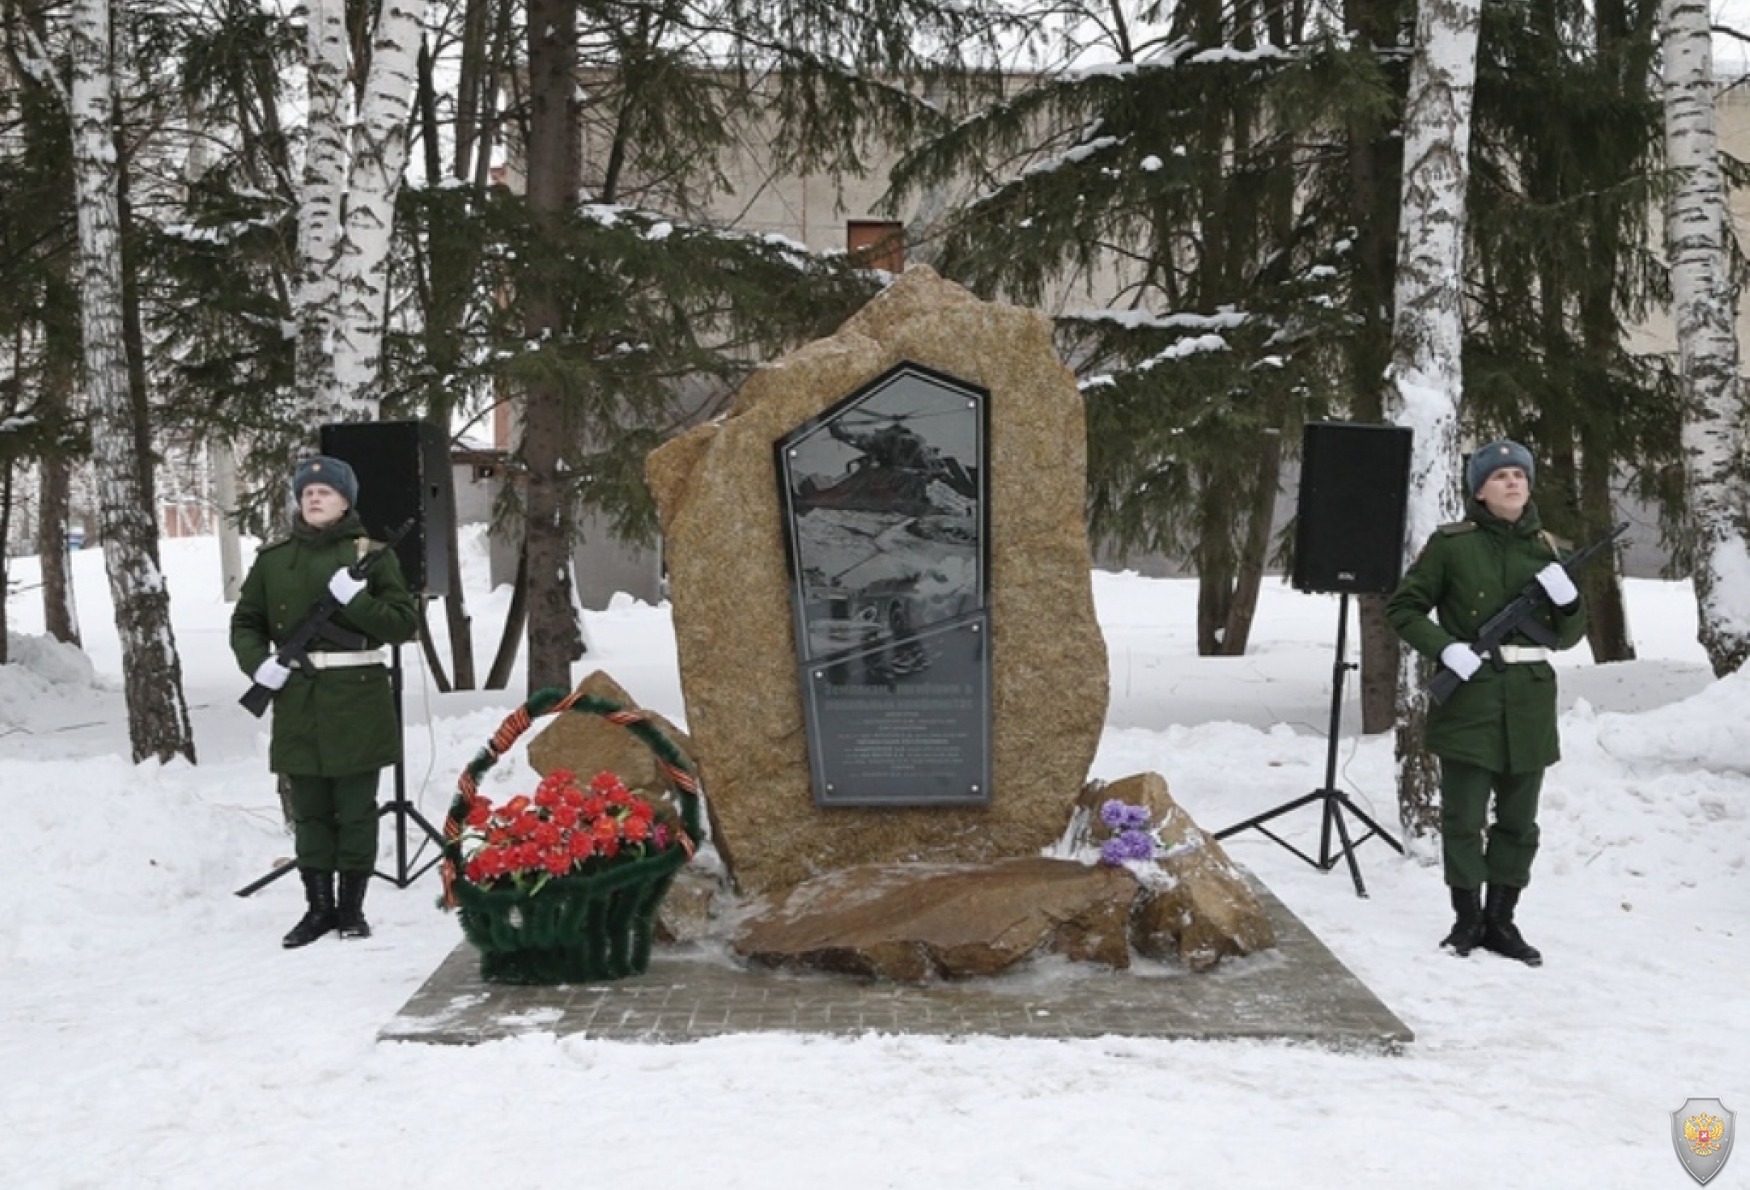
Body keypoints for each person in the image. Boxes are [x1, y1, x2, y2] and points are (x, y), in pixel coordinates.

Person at [1385, 439, 1587, 967]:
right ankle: (1467, 919)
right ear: (1479, 489)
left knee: (1520, 822)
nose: (1512, 482)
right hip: (1470, 697)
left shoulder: (1549, 549)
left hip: (1529, 701)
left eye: (1519, 474)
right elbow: (1404, 608)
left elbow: (1568, 638)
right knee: (1463, 817)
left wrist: (1568, 601)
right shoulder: (1452, 545)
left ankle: (1502, 919)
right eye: (1499, 476)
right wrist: (1446, 648)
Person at [230, 456, 418, 948]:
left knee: (356, 810)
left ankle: (352, 910)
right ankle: (318, 909)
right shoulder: (273, 559)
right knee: (310, 810)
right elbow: (246, 621)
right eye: (307, 491)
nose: (313, 497)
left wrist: (354, 599)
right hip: (298, 697)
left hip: (357, 698)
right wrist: (259, 665)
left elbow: (402, 624)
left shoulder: (372, 554)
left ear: (346, 501)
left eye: (325, 491)